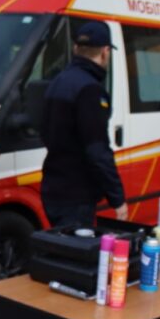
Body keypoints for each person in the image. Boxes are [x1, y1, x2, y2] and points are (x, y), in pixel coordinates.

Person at [39, 20, 128, 228]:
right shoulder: (90, 90)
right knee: (75, 254)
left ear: (76, 48)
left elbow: (45, 130)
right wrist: (117, 198)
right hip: (76, 194)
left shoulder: (58, 81)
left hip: (53, 185)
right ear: (105, 52)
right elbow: (97, 150)